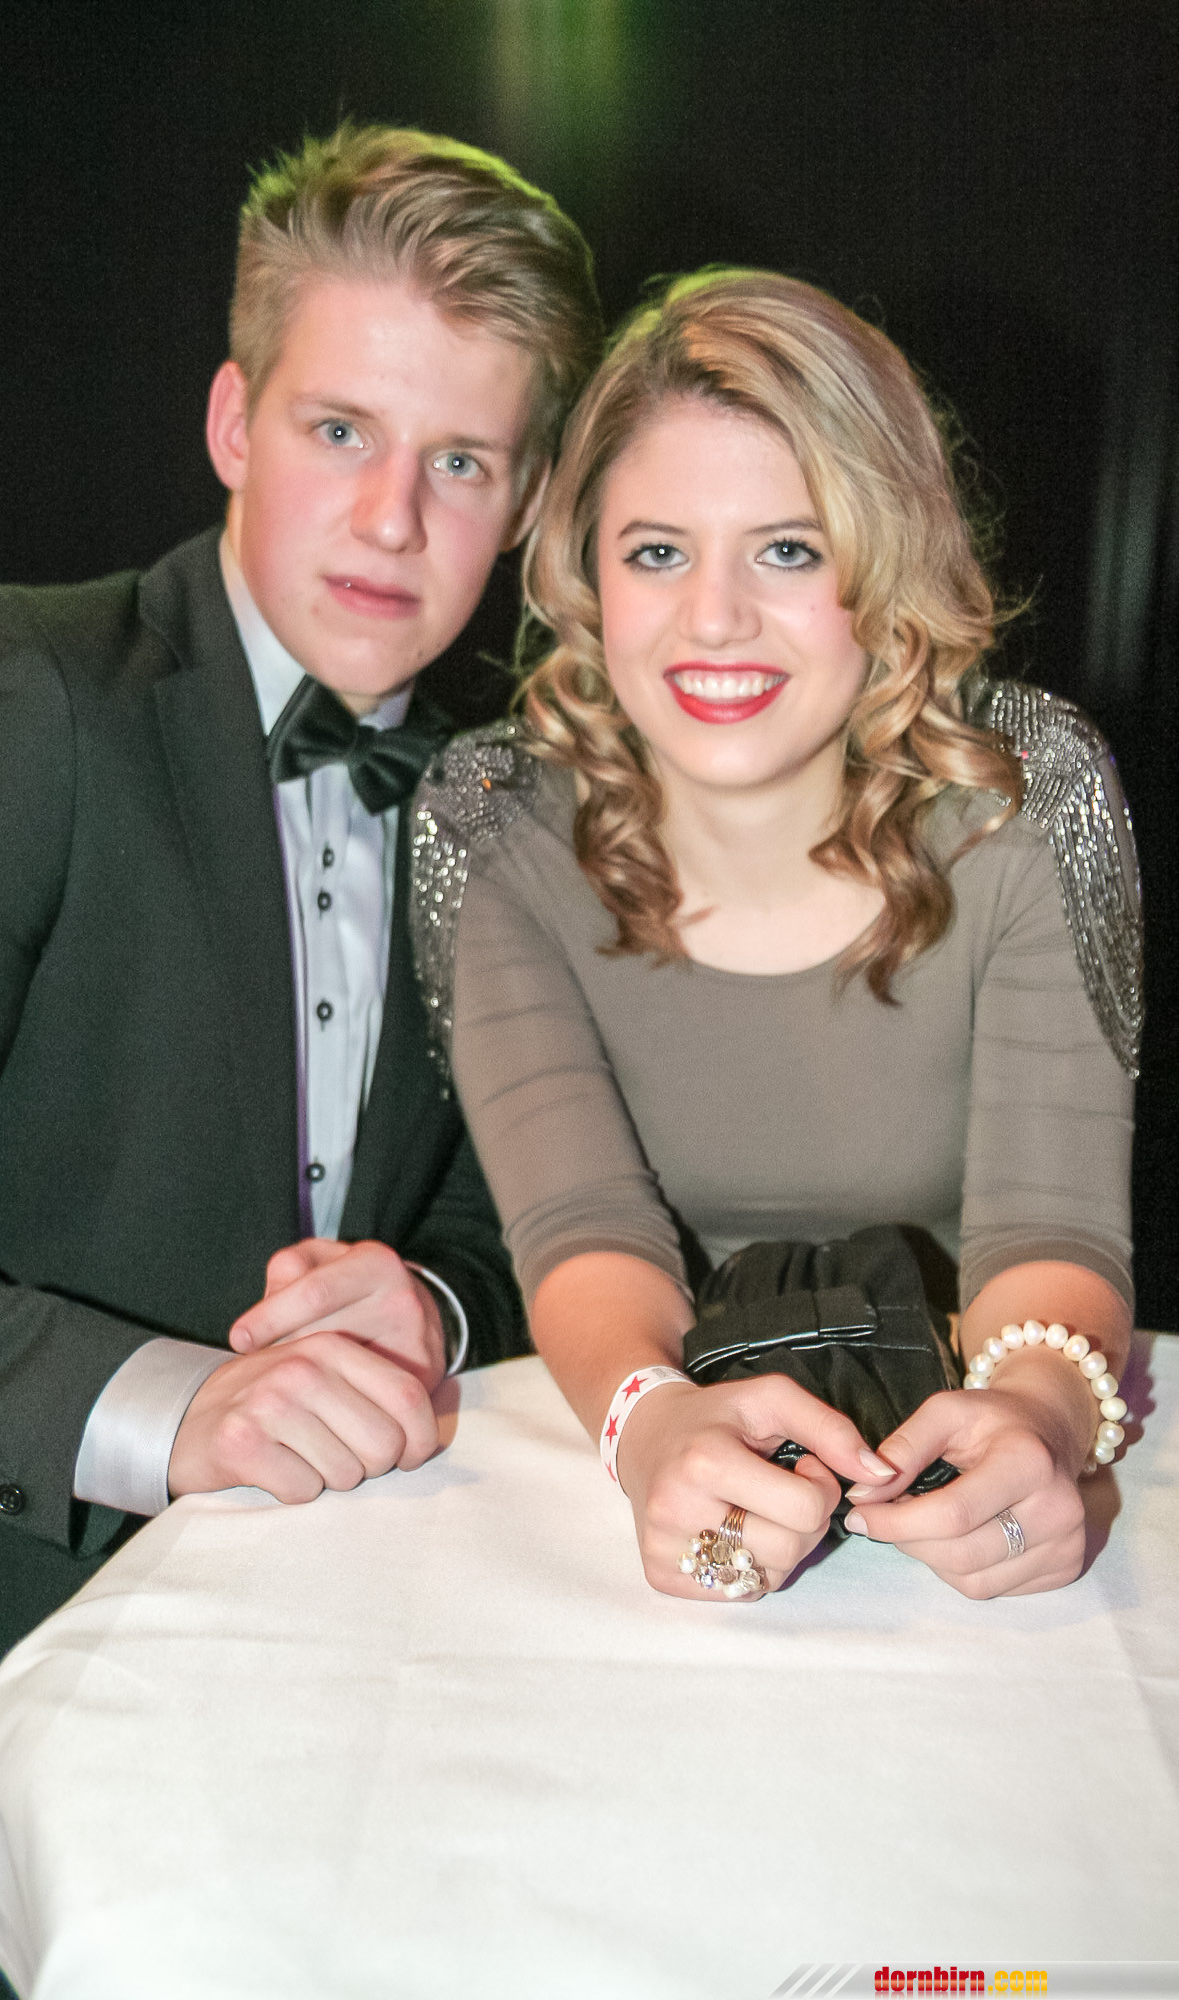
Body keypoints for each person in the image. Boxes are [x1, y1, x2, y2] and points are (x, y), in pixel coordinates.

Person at [0, 125, 601, 1995]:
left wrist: (430, 1300)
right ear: (231, 422)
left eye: (460, 461)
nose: (392, 519)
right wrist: (163, 1407)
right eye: (342, 429)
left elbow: (519, 1223)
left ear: (521, 501)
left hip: (329, 1717)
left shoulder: (505, 796)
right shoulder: (23, 694)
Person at [412, 269, 1140, 1612]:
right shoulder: (494, 819)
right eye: (657, 551)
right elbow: (580, 1225)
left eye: (789, 550)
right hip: (656, 1443)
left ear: (888, 565)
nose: (714, 617)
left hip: (962, 1434)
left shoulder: (1029, 796)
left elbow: (1048, 1226)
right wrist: (651, 1426)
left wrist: (1036, 1417)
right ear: (585, 574)